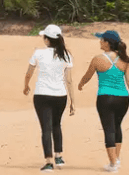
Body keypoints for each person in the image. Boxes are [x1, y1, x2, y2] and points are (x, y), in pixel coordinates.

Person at [78, 29, 129, 172]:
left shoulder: (98, 59)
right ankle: (116, 160)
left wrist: (81, 84)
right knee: (117, 126)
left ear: (107, 43)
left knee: (108, 128)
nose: (100, 42)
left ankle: (113, 164)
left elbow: (87, 75)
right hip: (122, 98)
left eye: (102, 39)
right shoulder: (124, 60)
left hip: (105, 98)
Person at [23, 24, 76, 171]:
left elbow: (29, 73)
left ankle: (48, 162)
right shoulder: (66, 55)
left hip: (42, 95)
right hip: (60, 95)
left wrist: (26, 85)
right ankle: (58, 157)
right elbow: (69, 80)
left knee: (46, 128)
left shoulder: (38, 53)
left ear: (47, 39)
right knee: (56, 125)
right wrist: (73, 100)